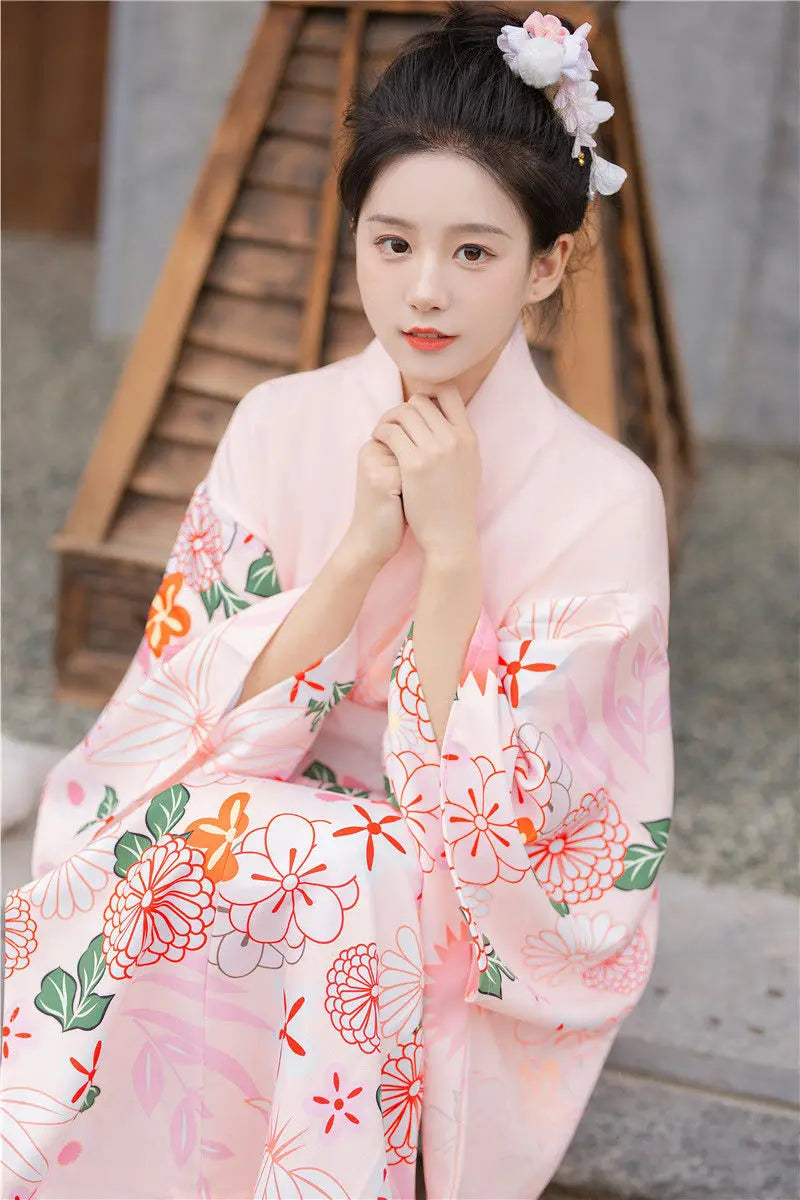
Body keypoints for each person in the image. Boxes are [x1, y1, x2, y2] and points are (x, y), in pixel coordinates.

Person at [0, 4, 673, 1197]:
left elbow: (552, 846)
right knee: (219, 833)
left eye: (472, 252)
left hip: (459, 891)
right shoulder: (280, 422)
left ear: (547, 262)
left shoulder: (603, 499)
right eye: (390, 243)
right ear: (353, 237)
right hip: (254, 823)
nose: (423, 292)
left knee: (328, 865)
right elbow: (176, 725)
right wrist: (364, 547)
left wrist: (453, 556)